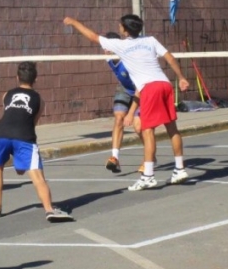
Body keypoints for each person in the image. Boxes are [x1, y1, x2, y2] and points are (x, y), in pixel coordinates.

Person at [63, 14, 190, 191]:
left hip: (149, 89)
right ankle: (179, 169)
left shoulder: (121, 45)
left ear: (125, 29)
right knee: (172, 128)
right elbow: (169, 57)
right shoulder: (151, 40)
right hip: (164, 84)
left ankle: (148, 176)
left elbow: (92, 37)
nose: (119, 27)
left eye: (120, 25)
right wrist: (182, 78)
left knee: (147, 131)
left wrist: (74, 22)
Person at [0, 61, 73, 221]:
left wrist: (17, 158)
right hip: (24, 136)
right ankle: (49, 210)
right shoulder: (39, 100)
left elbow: (10, 117)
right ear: (36, 79)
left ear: (17, 77)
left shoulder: (7, 94)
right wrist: (21, 158)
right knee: (37, 175)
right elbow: (30, 123)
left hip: (1, 134)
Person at [103, 32, 143, 174]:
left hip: (140, 89)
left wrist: (131, 112)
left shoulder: (128, 60)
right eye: (104, 46)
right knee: (119, 117)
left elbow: (140, 83)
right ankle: (115, 158)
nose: (106, 49)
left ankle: (149, 158)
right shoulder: (108, 57)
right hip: (124, 88)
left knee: (138, 128)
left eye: (109, 46)